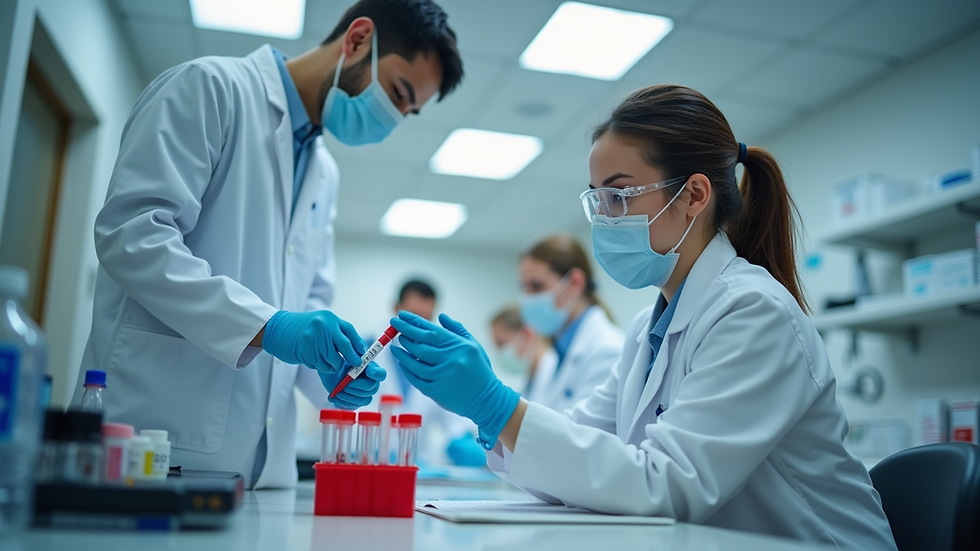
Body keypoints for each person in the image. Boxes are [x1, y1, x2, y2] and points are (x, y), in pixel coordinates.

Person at [387, 85, 898, 548]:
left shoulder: (753, 312)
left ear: (695, 195)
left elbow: (669, 486)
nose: (605, 218)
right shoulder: (645, 332)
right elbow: (582, 445)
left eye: (620, 194)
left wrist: (497, 405)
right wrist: (487, 414)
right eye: (598, 200)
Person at [72, 0, 463, 489]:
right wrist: (269, 325)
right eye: (399, 92)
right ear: (358, 39)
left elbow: (309, 301)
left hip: (263, 472)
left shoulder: (324, 174)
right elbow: (133, 235)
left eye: (409, 111)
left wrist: (333, 368)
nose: (394, 117)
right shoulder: (211, 89)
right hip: (150, 438)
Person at [370, 279, 483, 466]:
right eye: (413, 315)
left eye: (425, 318)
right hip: (367, 463)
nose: (417, 325)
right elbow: (350, 410)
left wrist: (462, 437)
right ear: (396, 307)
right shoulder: (367, 350)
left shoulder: (436, 361)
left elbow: (451, 414)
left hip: (415, 468)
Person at [517, 235, 624, 413]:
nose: (528, 298)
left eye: (536, 286)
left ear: (575, 283)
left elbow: (584, 437)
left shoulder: (608, 351)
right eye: (524, 288)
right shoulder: (552, 358)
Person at [489, 304, 552, 394]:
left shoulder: (558, 371)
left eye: (502, 344)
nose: (499, 352)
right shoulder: (524, 382)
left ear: (527, 334)